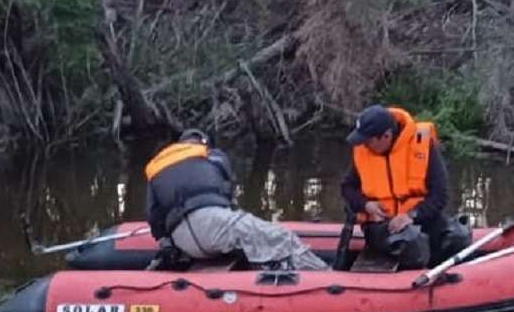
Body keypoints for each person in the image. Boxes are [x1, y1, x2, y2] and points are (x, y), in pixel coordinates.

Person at [145, 129, 328, 270]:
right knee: (282, 238)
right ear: (203, 143)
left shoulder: (156, 167)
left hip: (183, 241)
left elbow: (155, 219)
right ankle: (326, 277)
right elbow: (228, 193)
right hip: (213, 226)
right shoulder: (211, 155)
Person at [340, 104, 470, 269]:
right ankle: (411, 284)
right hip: (382, 226)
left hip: (421, 218)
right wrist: (366, 205)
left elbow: (440, 194)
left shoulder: (422, 144)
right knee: (413, 243)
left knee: (458, 237)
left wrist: (411, 215)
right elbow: (347, 188)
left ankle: (444, 278)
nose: (364, 145)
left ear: (386, 136)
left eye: (368, 140)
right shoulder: (362, 151)